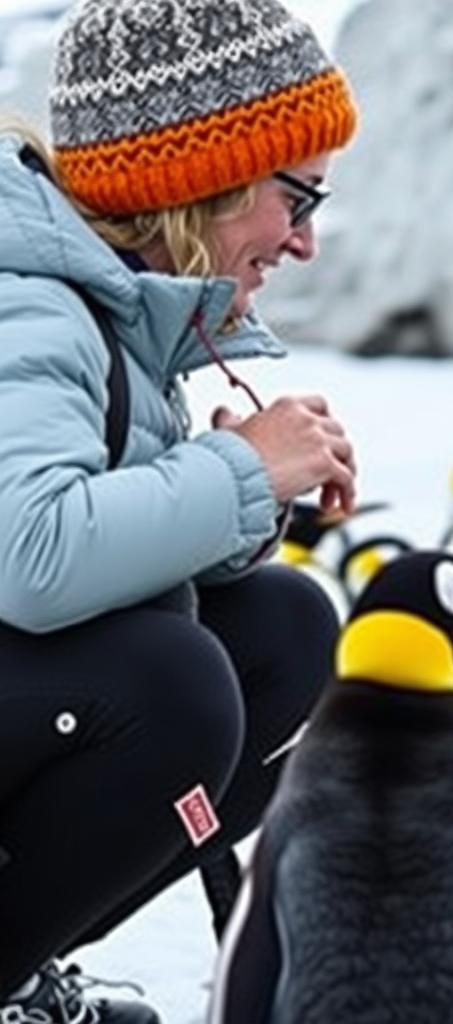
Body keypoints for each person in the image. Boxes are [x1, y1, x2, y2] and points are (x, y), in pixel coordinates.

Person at [0, 0, 360, 1020]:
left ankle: (17, 959)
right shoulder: (28, 299)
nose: (304, 243)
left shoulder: (110, 301)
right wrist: (242, 468)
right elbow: (30, 557)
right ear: (202, 179)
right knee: (171, 682)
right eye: (298, 200)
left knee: (283, 632)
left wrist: (252, 492)